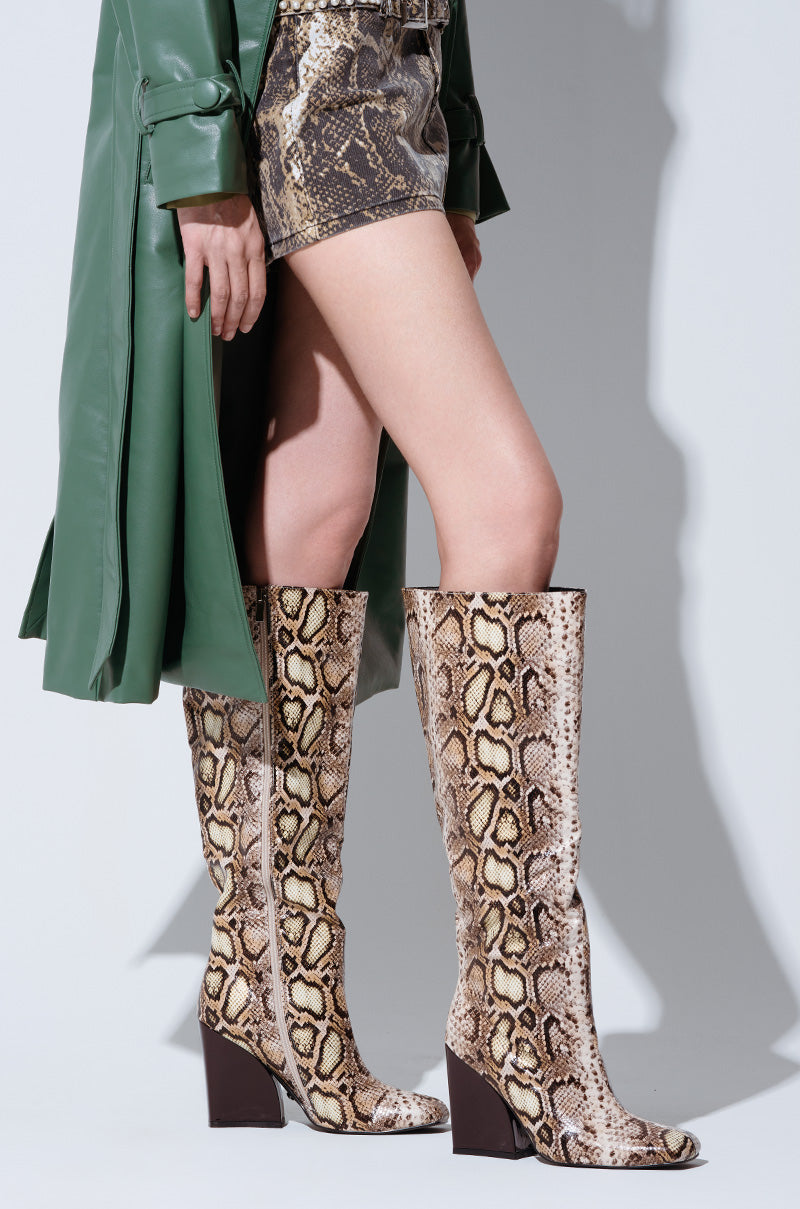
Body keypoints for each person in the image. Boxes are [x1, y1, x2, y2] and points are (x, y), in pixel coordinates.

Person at [19, 0, 700, 1167]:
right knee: (508, 504)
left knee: (318, 512)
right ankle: (520, 1034)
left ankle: (268, 995)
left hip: (393, 94)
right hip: (319, 91)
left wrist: (453, 156)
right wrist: (196, 149)